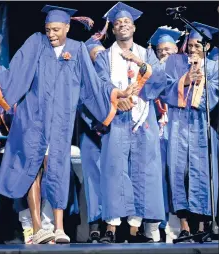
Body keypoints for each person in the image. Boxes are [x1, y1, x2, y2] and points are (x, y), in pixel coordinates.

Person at [0, 5, 134, 244]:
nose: (51, 34)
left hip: (61, 121)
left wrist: (113, 93)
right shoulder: (36, 43)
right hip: (32, 118)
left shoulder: (77, 49)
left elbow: (92, 84)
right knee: (33, 168)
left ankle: (59, 228)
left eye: (56, 30)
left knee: (58, 169)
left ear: (67, 27)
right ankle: (38, 226)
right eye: (48, 29)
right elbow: (15, 72)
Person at [93, 2, 167, 243]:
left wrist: (137, 60)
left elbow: (159, 80)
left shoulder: (146, 53)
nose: (122, 25)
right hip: (117, 117)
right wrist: (118, 96)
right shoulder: (105, 56)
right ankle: (112, 228)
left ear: (134, 28)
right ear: (113, 30)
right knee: (114, 171)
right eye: (117, 23)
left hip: (143, 117)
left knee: (142, 171)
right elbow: (101, 83)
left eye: (126, 22)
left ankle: (135, 230)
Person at [160, 21, 219, 241]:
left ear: (208, 48)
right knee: (177, 172)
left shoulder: (214, 67)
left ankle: (203, 224)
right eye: (190, 45)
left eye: (197, 46)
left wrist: (202, 80)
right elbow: (164, 88)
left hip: (202, 126)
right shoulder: (175, 63)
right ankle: (184, 224)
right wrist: (185, 80)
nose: (192, 49)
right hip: (178, 124)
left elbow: (215, 93)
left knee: (202, 173)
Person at [146, 26, 183, 242]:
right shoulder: (152, 73)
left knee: (175, 178)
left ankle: (176, 228)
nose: (164, 54)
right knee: (154, 179)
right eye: (160, 51)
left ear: (176, 50)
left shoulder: (182, 71)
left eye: (168, 50)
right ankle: (152, 228)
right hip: (154, 132)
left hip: (177, 131)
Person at [79, 36, 106, 243]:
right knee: (92, 180)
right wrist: (94, 125)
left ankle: (113, 227)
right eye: (94, 54)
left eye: (102, 53)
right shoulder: (82, 78)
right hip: (90, 135)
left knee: (114, 179)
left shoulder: (112, 75)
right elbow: (80, 105)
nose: (99, 57)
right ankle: (95, 225)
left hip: (113, 132)